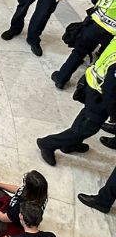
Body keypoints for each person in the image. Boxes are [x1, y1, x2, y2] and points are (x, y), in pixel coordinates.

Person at [37, 37, 116, 166]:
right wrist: (114, 114)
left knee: (86, 116)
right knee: (88, 128)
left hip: (93, 85)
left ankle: (70, 144)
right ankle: (47, 143)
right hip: (100, 95)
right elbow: (110, 89)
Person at [53, 0, 116, 89]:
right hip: (112, 35)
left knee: (79, 52)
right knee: (102, 61)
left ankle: (61, 78)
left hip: (95, 26)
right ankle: (87, 86)